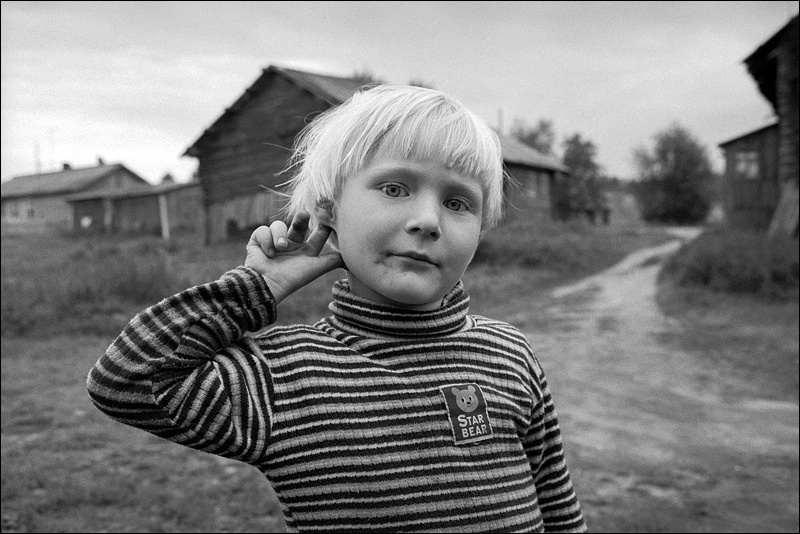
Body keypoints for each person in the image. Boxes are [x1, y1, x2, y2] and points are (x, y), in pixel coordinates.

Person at [87, 84, 587, 533]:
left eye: (459, 203)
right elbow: (128, 379)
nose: (428, 220)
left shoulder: (509, 354)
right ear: (327, 209)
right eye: (395, 188)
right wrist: (257, 286)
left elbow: (559, 509)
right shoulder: (283, 377)